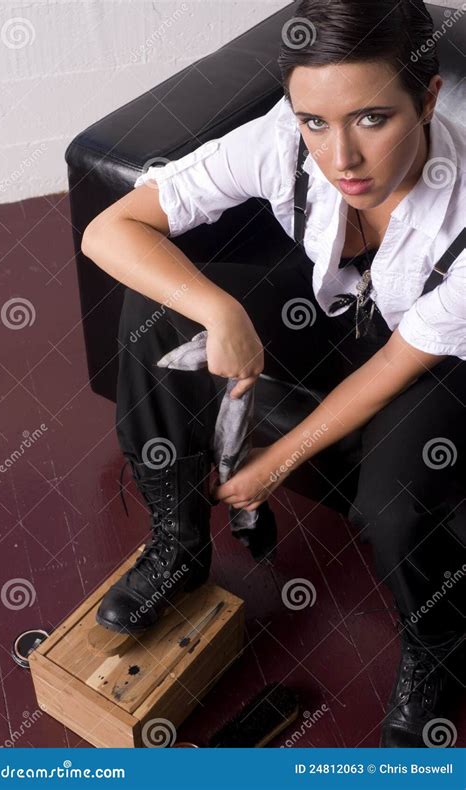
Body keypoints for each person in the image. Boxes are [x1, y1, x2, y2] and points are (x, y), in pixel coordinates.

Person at [81, 0, 466, 748]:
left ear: (427, 98)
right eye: (314, 122)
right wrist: (220, 312)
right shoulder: (281, 142)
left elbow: (395, 362)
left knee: (391, 506)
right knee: (157, 313)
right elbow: (111, 229)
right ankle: (179, 545)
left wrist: (275, 462)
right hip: (342, 309)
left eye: (372, 119)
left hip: (435, 359)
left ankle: (436, 648)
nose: (340, 159)